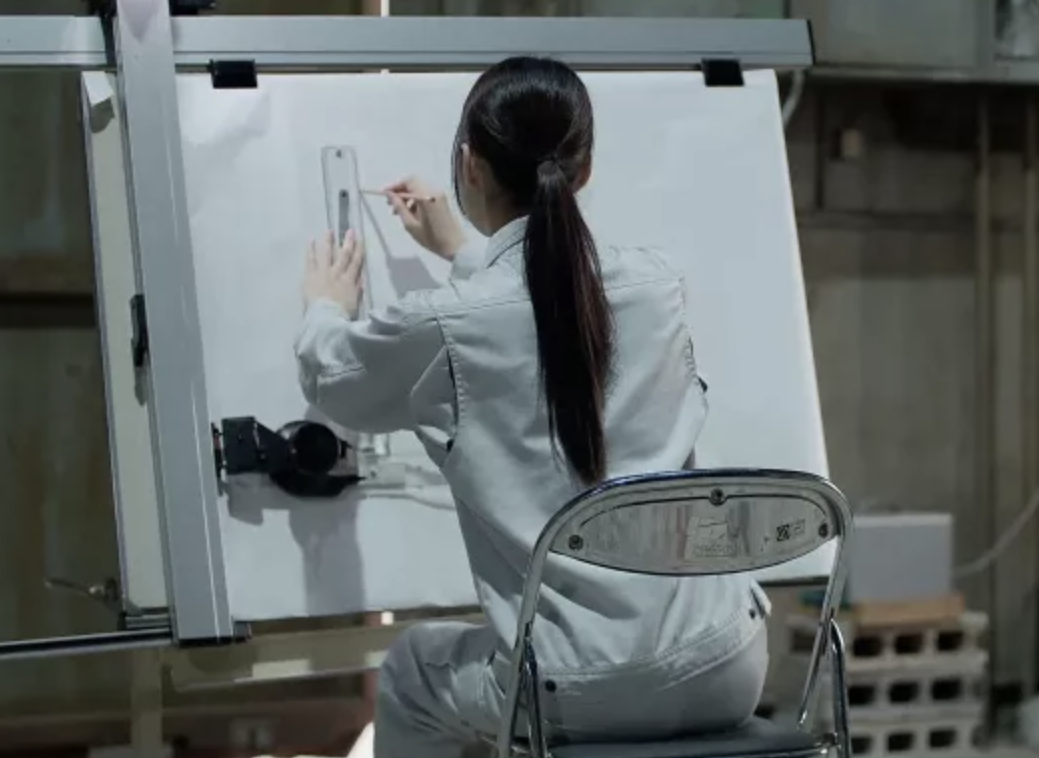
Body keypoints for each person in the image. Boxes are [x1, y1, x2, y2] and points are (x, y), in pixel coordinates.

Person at [295, 57, 771, 758]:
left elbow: (334, 378)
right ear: (585, 168)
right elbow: (542, 315)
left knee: (411, 672)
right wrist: (465, 252)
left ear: (470, 165)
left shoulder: (443, 326)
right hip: (724, 662)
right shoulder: (656, 285)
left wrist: (325, 306)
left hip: (576, 688)